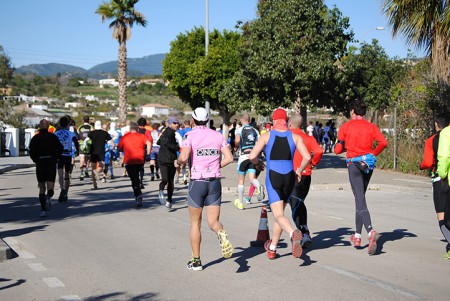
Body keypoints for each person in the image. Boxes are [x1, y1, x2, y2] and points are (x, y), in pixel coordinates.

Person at [176, 107, 234, 271]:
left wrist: (178, 162)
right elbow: (229, 158)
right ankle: (221, 233)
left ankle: (196, 261)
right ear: (208, 120)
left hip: (197, 182)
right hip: (214, 181)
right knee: (213, 222)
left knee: (195, 223)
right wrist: (216, 166)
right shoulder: (217, 136)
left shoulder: (189, 135)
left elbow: (185, 157)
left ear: (193, 120)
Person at [249, 108, 311, 259]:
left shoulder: (266, 136)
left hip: (273, 176)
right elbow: (308, 157)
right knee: (280, 215)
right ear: (286, 120)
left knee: (278, 215)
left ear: (274, 120)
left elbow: (252, 156)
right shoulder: (295, 137)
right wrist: (299, 170)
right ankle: (272, 247)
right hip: (289, 176)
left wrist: (258, 164)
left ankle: (293, 234)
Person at [334, 99, 387, 255]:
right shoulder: (371, 127)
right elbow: (383, 142)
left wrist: (342, 146)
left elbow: (337, 150)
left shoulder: (346, 127)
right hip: (368, 164)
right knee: (360, 198)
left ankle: (370, 231)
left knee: (360, 199)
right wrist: (372, 153)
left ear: (352, 111)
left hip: (353, 164)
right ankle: (357, 236)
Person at [288, 114, 323, 247]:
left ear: (290, 124)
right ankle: (304, 230)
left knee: (295, 204)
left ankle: (302, 233)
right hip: (306, 176)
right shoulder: (308, 138)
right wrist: (313, 163)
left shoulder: (288, 136)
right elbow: (319, 151)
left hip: (294, 175)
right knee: (299, 203)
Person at [420, 114, 450, 259]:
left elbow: (427, 162)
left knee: (441, 214)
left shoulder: (431, 140)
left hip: (440, 178)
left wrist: (422, 166)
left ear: (436, 125)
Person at [29, 119, 64, 217]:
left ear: (39, 126)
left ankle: (43, 209)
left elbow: (31, 151)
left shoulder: (35, 138)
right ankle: (48, 196)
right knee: (50, 186)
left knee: (41, 187)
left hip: (40, 163)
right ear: (48, 127)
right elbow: (60, 148)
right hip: (51, 163)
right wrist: (56, 158)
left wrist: (36, 160)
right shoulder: (53, 137)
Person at [118, 122, 152, 207]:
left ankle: (138, 194)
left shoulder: (124, 137)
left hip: (129, 161)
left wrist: (124, 150)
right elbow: (149, 143)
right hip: (140, 160)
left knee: (134, 179)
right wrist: (147, 153)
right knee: (136, 177)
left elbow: (119, 148)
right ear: (137, 129)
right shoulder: (141, 136)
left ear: (130, 128)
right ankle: (138, 194)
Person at [234, 113, 264, 210]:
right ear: (250, 120)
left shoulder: (240, 129)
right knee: (252, 178)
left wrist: (236, 144)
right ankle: (259, 187)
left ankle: (241, 203)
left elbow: (237, 140)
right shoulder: (255, 130)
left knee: (241, 180)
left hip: (243, 156)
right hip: (253, 156)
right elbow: (260, 143)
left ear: (242, 120)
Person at [55, 116, 80, 202]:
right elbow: (76, 143)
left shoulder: (56, 134)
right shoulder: (71, 133)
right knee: (67, 175)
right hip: (68, 154)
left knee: (60, 174)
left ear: (60, 124)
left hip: (59, 155)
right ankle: (66, 192)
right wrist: (77, 152)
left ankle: (62, 188)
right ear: (68, 124)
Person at [157, 116, 180, 209]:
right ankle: (163, 194)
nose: (177, 125)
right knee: (166, 180)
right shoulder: (169, 132)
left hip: (168, 159)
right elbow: (167, 143)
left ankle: (169, 199)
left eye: (177, 123)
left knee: (169, 180)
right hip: (165, 160)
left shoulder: (169, 132)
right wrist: (177, 147)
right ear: (170, 124)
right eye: (174, 123)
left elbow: (159, 142)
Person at [436, 118, 450, 259]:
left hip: (448, 180)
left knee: (447, 219)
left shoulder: (446, 133)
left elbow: (444, 156)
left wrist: (442, 173)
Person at [86, 120, 113, 189]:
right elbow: (110, 142)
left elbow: (86, 140)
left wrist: (85, 146)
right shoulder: (105, 133)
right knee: (101, 166)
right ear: (101, 125)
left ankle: (94, 183)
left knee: (93, 168)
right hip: (101, 152)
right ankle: (97, 172)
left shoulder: (91, 133)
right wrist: (110, 147)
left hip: (93, 152)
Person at [137, 118, 153, 189]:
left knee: (135, 166)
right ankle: (140, 181)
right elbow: (150, 140)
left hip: (135, 150)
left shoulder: (136, 131)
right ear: (145, 124)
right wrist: (149, 151)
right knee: (141, 167)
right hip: (143, 150)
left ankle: (137, 181)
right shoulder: (147, 131)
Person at [78, 116, 92, 180]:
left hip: (81, 144)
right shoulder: (91, 127)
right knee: (88, 158)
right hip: (89, 144)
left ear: (83, 120)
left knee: (82, 158)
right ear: (88, 120)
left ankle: (81, 173)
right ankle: (86, 170)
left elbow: (78, 135)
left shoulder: (80, 127)